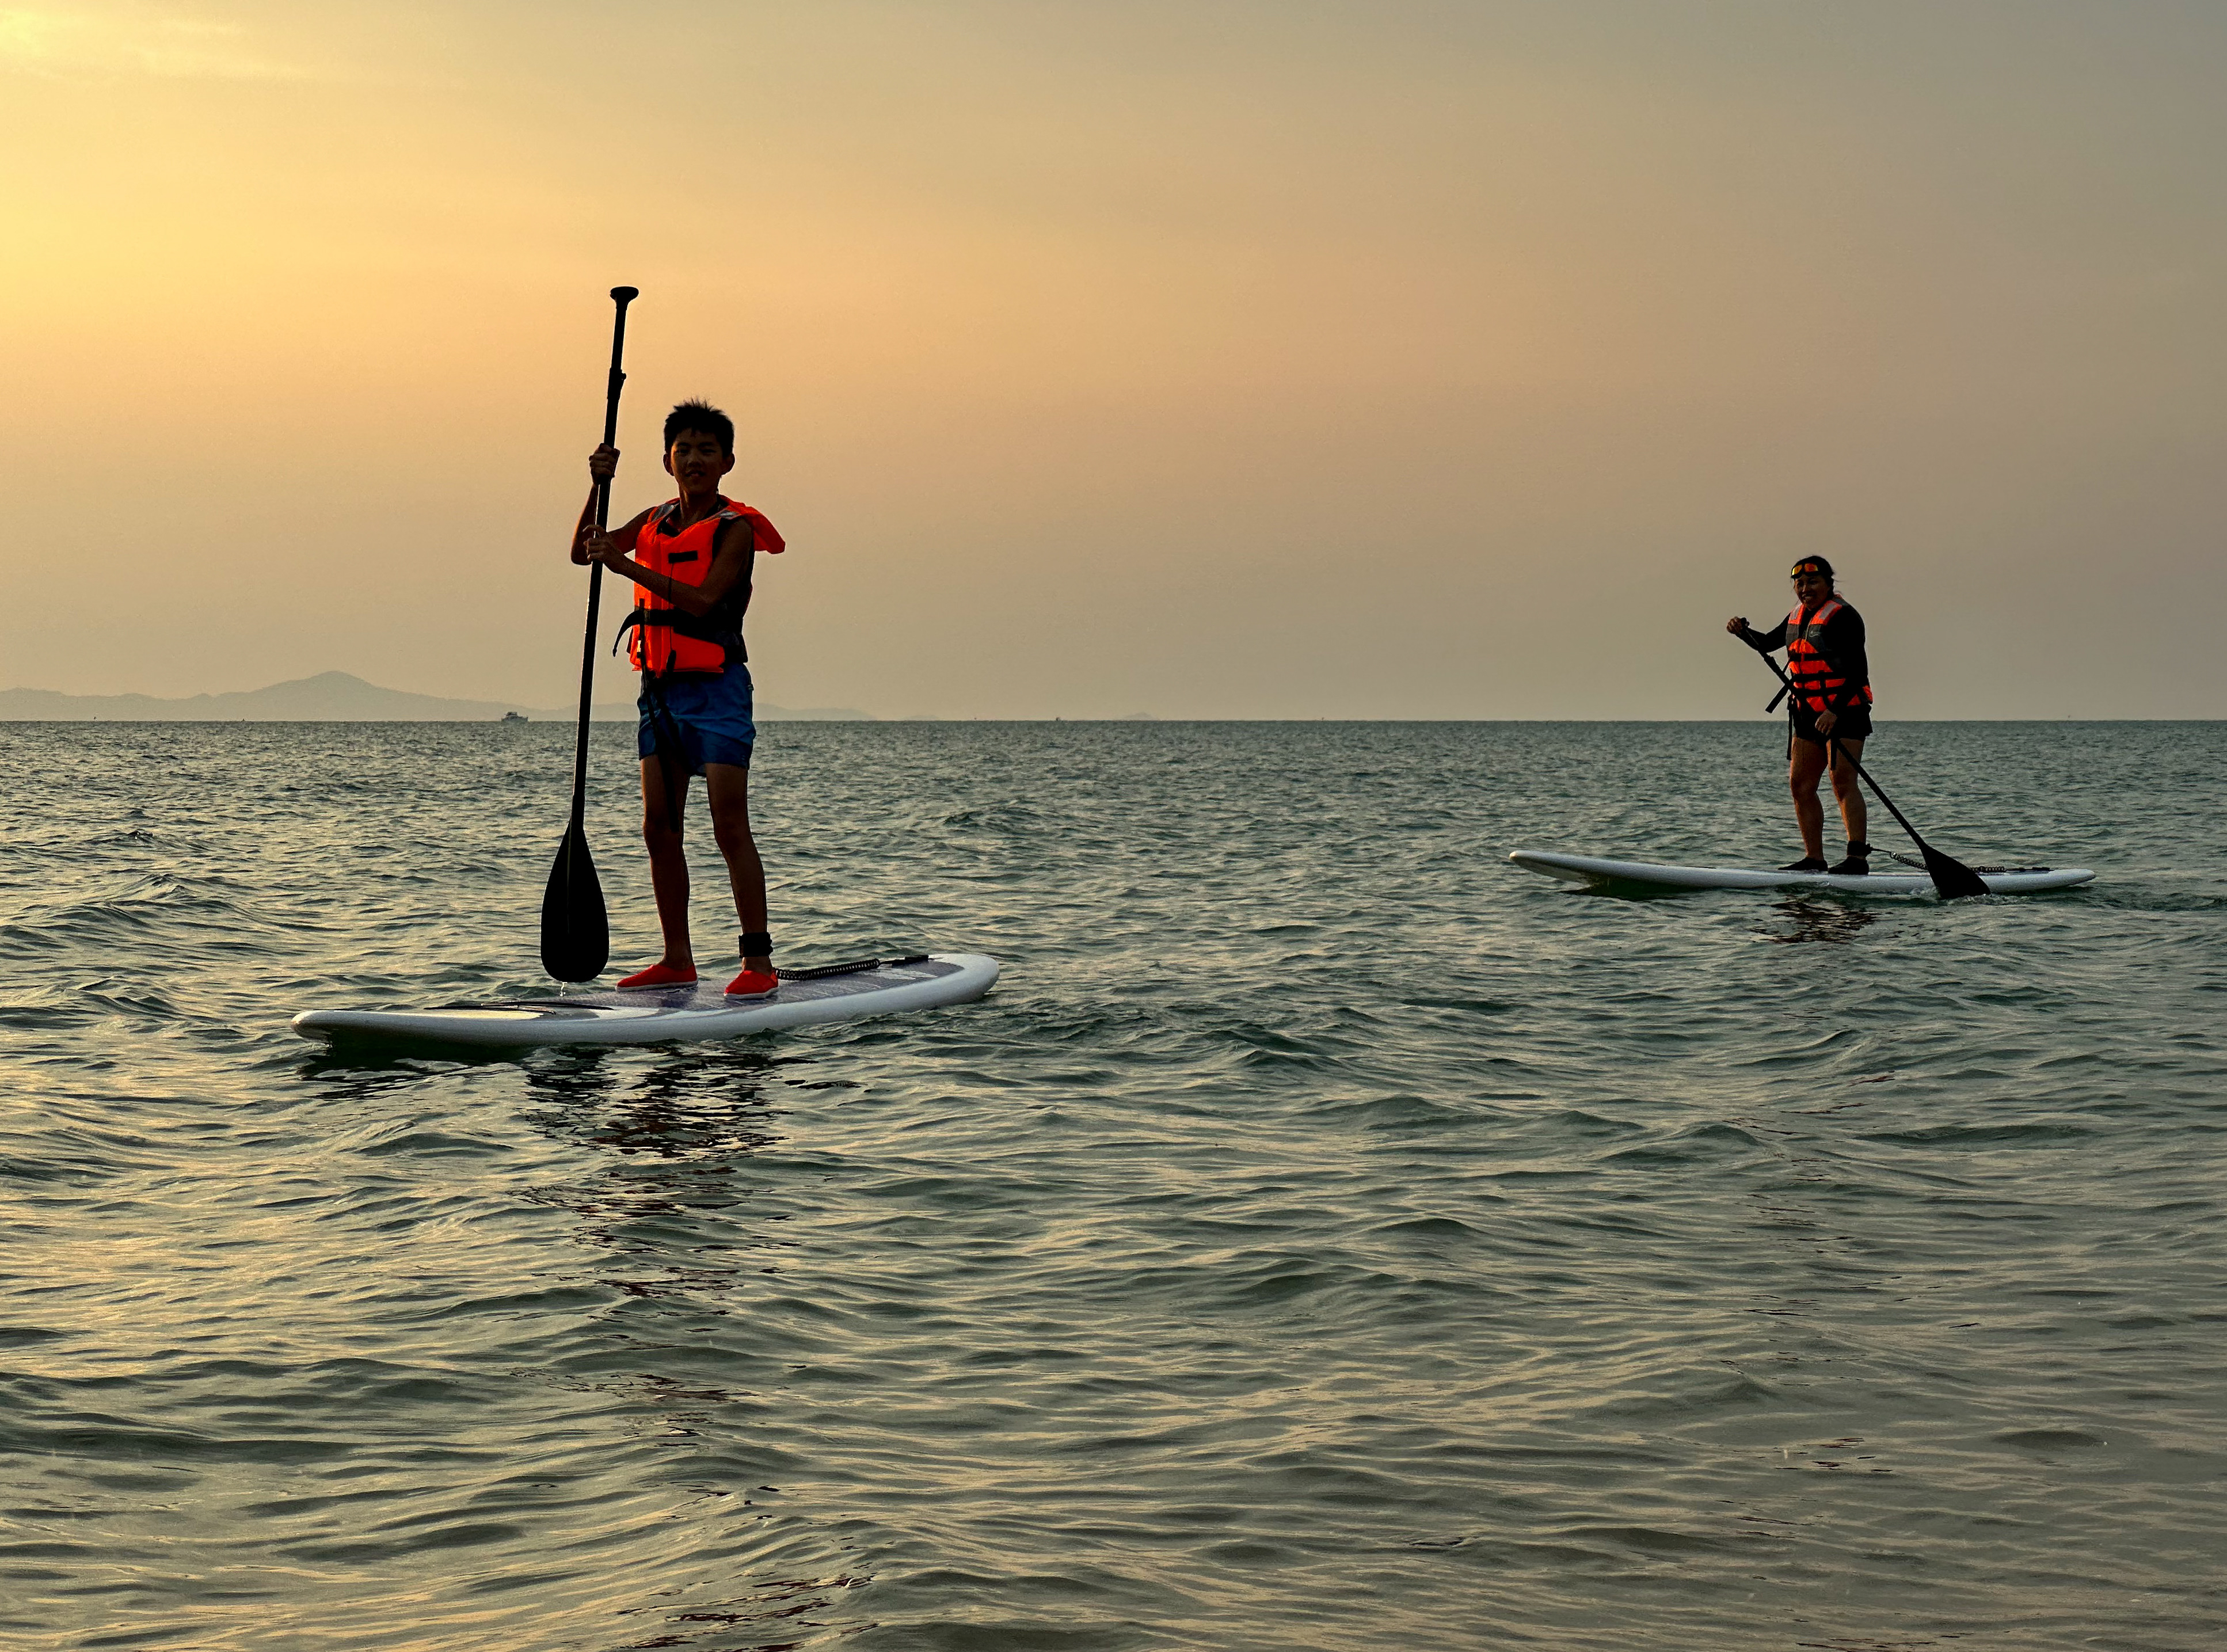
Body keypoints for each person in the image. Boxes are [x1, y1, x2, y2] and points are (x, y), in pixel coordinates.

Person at [572, 399, 786, 993]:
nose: (694, 459)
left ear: (727, 461)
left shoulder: (735, 529)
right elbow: (584, 548)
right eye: (684, 449)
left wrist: (625, 567)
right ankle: (677, 958)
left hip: (717, 692)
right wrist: (597, 485)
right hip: (659, 694)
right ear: (668, 459)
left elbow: (705, 602)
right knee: (658, 828)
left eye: (706, 450)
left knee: (728, 826)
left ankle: (758, 964)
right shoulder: (652, 520)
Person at [1725, 556, 1875, 874]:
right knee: (1800, 785)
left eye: (1813, 583)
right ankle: (1814, 859)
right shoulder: (1798, 617)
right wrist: (1743, 632)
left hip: (1845, 711)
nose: (1805, 589)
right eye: (1800, 584)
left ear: (1829, 585)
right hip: (1806, 712)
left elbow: (1859, 671)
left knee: (1842, 782)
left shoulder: (1845, 617)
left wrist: (1833, 711)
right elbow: (1767, 643)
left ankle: (1856, 860)